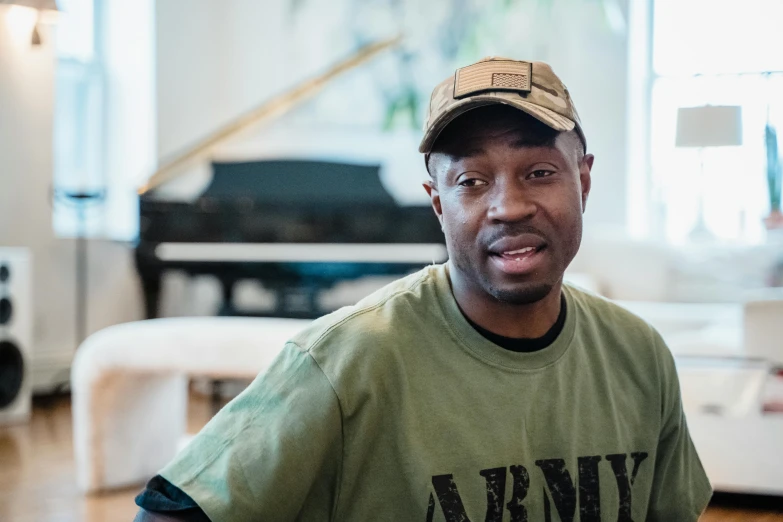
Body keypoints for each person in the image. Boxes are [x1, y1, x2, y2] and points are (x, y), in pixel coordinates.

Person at [134, 57, 712, 521]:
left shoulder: (640, 355)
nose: (507, 207)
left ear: (583, 180)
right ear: (437, 202)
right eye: (470, 181)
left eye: (539, 172)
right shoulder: (342, 362)